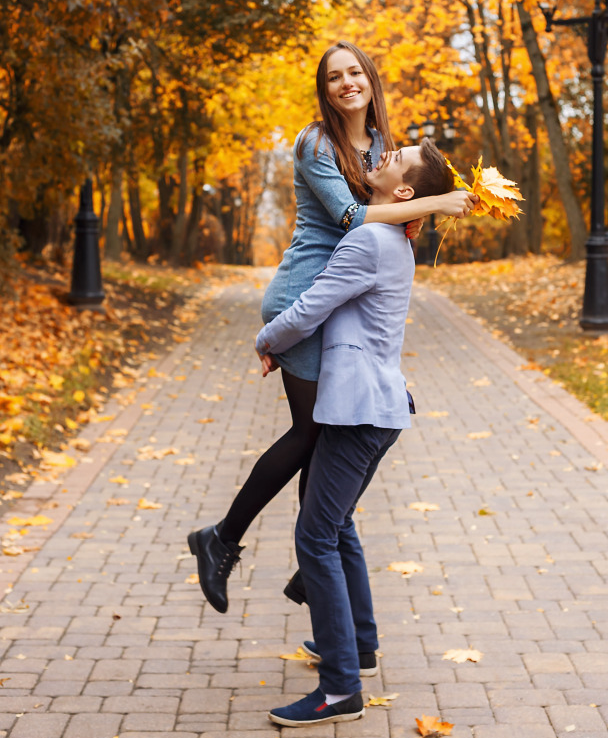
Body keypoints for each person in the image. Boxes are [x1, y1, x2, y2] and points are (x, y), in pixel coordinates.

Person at [188, 43, 476, 613]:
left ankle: (311, 562)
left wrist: (423, 211)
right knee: (312, 434)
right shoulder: (316, 142)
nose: (346, 83)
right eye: (334, 77)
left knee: (333, 442)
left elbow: (397, 224)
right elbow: (350, 218)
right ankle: (225, 538)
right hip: (306, 294)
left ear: (370, 80)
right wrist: (439, 201)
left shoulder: (383, 150)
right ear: (325, 89)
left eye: (354, 73)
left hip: (339, 301)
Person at [254, 137, 454, 726]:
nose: (382, 157)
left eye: (395, 160)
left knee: (315, 535)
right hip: (378, 409)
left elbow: (312, 304)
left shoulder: (370, 240)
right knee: (336, 526)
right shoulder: (391, 239)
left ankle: (340, 689)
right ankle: (359, 646)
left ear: (405, 192)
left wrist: (267, 341)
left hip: (361, 412)